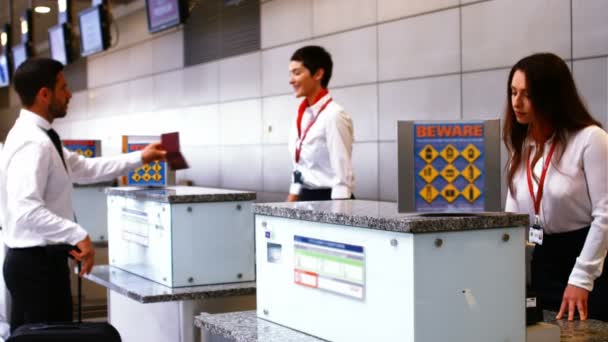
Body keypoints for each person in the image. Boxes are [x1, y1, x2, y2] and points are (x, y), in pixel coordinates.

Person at [0, 58, 166, 331]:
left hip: (41, 264)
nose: (69, 95)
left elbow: (86, 168)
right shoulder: (33, 143)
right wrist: (77, 234)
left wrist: (141, 157)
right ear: (44, 94)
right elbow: (26, 209)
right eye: (63, 87)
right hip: (35, 269)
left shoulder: (42, 137)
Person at [503, 53, 608, 321]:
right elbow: (511, 220)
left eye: (527, 94)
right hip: (542, 261)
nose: (516, 102)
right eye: (513, 92)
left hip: (586, 260)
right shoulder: (524, 146)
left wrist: (582, 277)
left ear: (551, 95)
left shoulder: (590, 139)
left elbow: (605, 215)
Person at [286, 45, 354, 202]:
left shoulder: (334, 115)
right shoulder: (302, 115)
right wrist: (290, 201)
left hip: (329, 200)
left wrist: (337, 220)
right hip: (304, 197)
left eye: (297, 73)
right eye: (291, 74)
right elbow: (301, 167)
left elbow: (342, 177)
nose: (291, 80)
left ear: (318, 74)